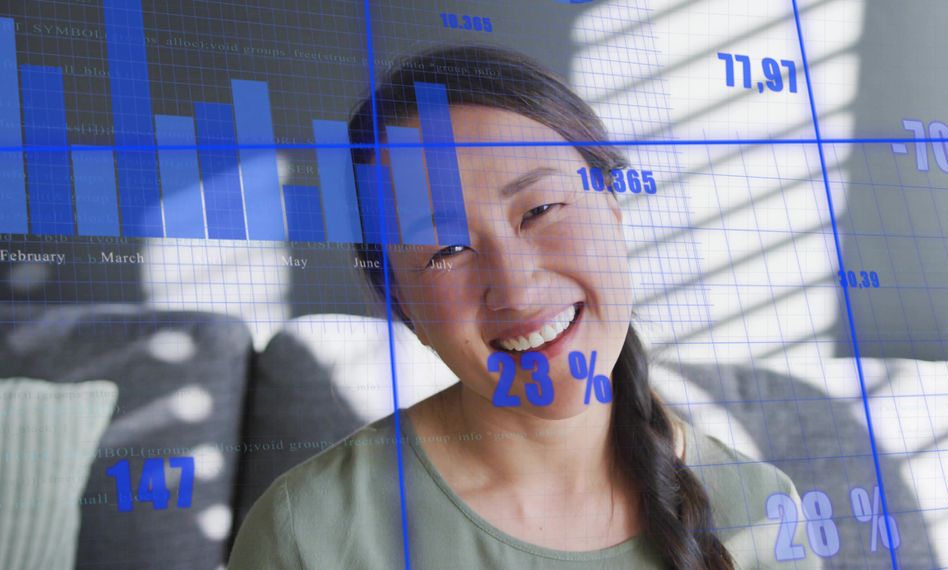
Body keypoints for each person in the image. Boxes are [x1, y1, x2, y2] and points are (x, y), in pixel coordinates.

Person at [229, 46, 817, 570]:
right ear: (404, 306)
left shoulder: (761, 511)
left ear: (611, 207)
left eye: (539, 210)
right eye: (447, 249)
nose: (514, 288)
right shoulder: (305, 535)